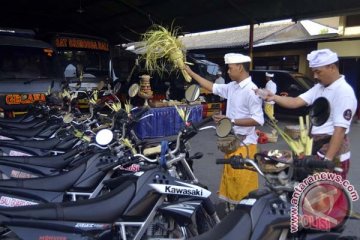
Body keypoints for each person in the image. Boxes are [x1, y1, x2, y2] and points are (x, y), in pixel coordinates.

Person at [256, 49, 357, 179]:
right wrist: (274, 97)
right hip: (315, 148)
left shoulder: (344, 92)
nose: (315, 76)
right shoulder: (319, 88)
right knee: (306, 193)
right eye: (313, 72)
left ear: (331, 67)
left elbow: (339, 131)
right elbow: (295, 101)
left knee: (327, 196)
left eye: (318, 72)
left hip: (332, 155)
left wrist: (327, 162)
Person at [185, 53, 264, 211]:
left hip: (245, 144)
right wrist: (191, 73)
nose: (227, 71)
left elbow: (258, 120)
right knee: (231, 177)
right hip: (232, 141)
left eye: (230, 68)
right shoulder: (233, 87)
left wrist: (230, 121)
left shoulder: (251, 90)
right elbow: (212, 87)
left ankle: (244, 214)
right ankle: (232, 211)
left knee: (242, 181)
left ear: (240, 68)